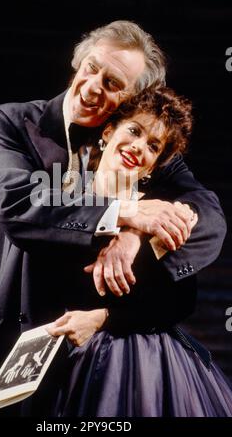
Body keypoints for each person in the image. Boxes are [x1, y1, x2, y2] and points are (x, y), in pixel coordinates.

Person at [0, 20, 226, 416]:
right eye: (91, 67)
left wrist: (132, 238)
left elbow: (209, 215)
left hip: (101, 351)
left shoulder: (145, 146)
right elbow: (16, 203)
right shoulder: (8, 123)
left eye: (114, 83)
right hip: (18, 334)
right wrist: (126, 213)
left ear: (133, 99)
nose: (93, 86)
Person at [46, 87, 232, 417]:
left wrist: (104, 318)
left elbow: (178, 302)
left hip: (145, 362)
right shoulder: (65, 197)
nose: (138, 147)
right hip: (58, 355)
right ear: (108, 131)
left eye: (153, 146)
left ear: (152, 167)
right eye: (134, 130)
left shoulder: (161, 213)